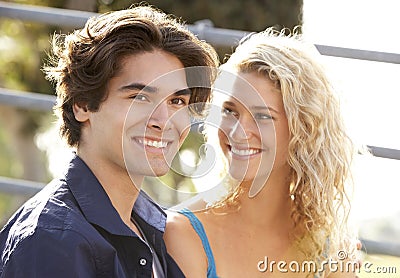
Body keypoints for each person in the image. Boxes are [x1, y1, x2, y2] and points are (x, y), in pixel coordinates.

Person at [0, 5, 218, 277]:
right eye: (139, 97)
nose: (163, 120)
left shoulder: (156, 228)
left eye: (177, 101)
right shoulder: (53, 241)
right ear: (82, 104)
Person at [165, 28, 359, 277]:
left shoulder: (331, 246)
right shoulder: (183, 232)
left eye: (263, 116)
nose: (238, 131)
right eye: (230, 111)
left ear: (303, 129)